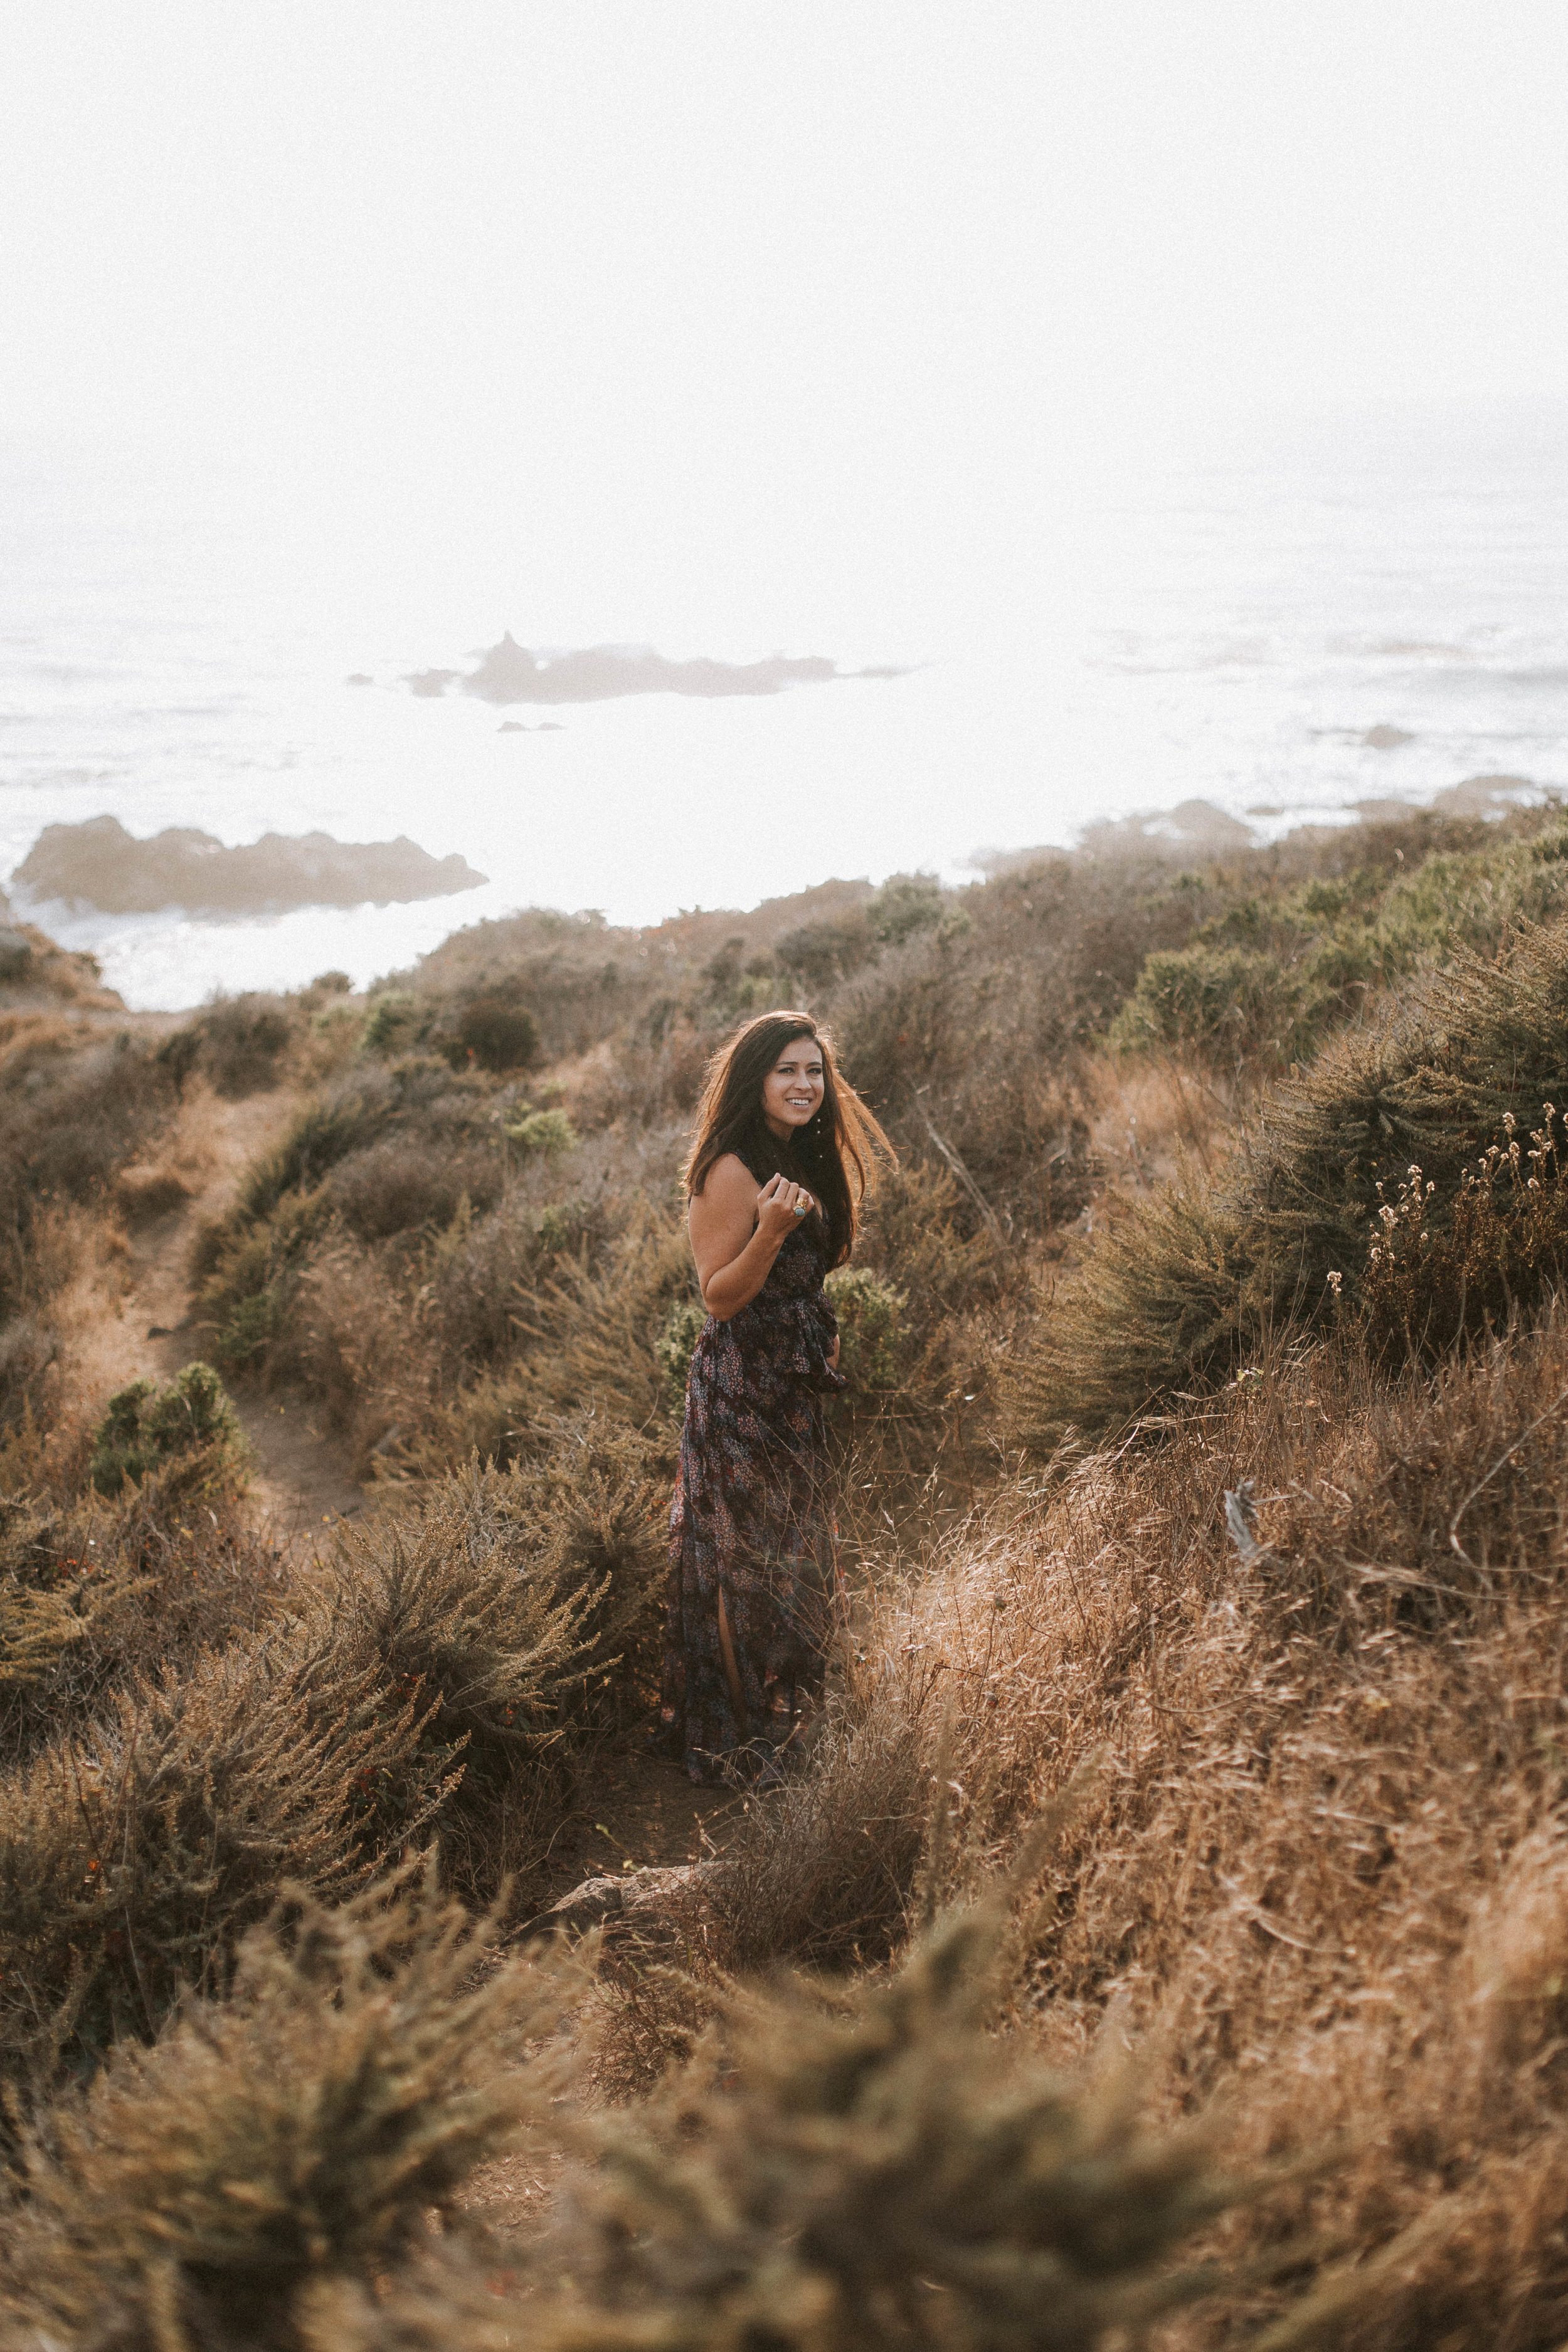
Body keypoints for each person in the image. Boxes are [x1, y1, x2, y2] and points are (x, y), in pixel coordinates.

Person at [658, 1010, 893, 1784]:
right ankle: (737, 1732)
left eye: (814, 1072)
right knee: (735, 1561)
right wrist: (766, 1232)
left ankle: (785, 1712)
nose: (804, 1085)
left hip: (790, 1392)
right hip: (738, 1395)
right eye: (787, 1071)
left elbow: (802, 1279)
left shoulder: (804, 1156)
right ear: (755, 1078)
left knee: (793, 1552)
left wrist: (820, 1335)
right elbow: (718, 1299)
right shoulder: (730, 1169)